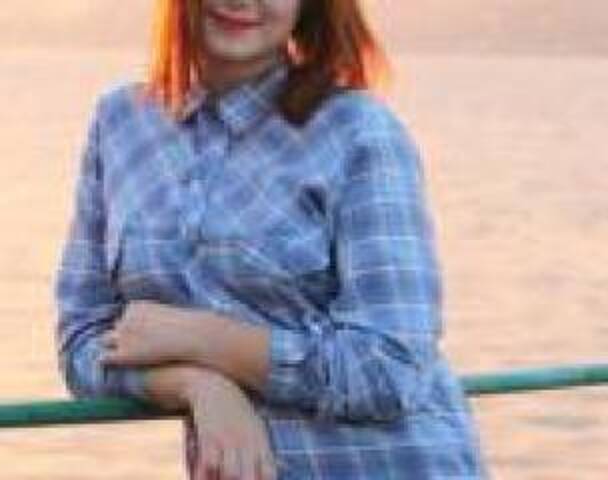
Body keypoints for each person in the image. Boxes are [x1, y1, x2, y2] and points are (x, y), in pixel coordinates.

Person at [54, 0, 490, 478]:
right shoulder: (121, 123)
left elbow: (390, 368)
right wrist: (197, 385)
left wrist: (202, 338)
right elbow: (84, 342)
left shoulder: (360, 133)